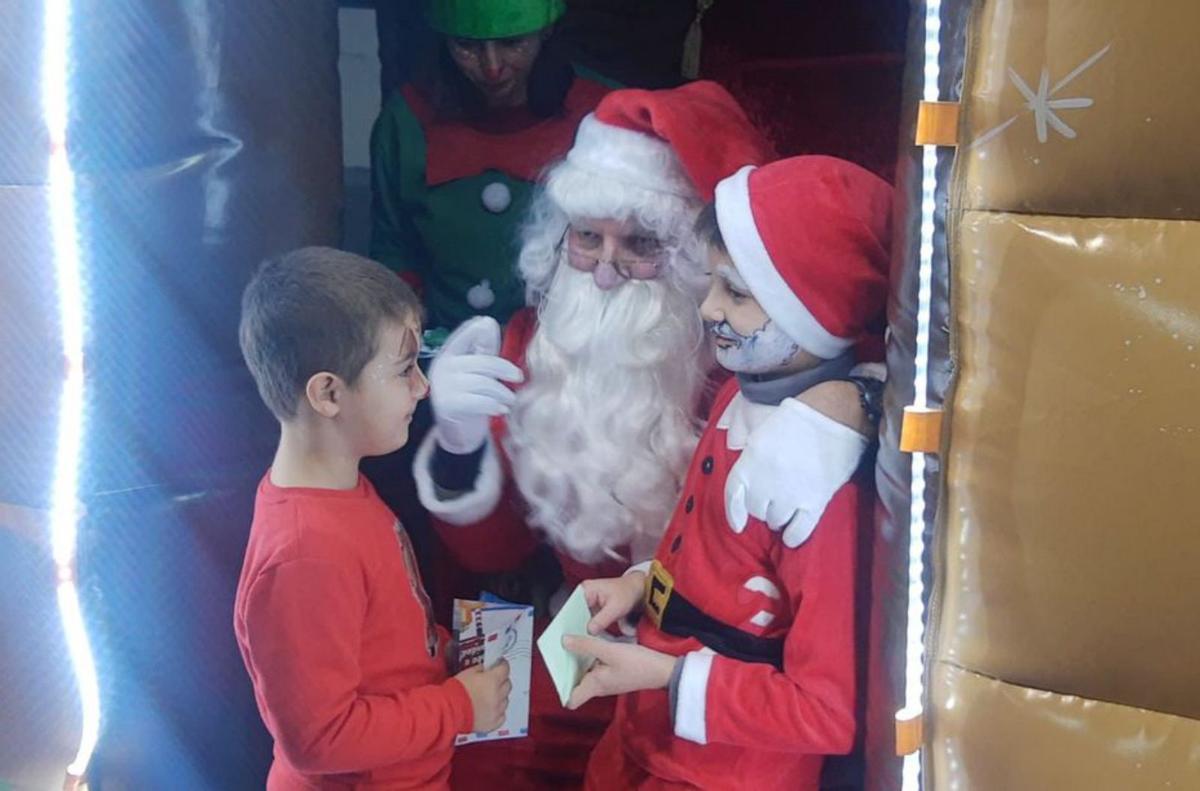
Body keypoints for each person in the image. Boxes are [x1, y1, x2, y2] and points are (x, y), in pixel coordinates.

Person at [413, 83, 875, 789]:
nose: (602, 268)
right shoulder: (535, 346)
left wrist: (857, 398)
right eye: (586, 236)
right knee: (474, 750)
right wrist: (456, 443)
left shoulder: (740, 368)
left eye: (640, 244)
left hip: (714, 681)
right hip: (588, 628)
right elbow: (496, 549)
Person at [562, 155, 892, 790]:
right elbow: (713, 560)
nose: (709, 307)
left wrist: (667, 677)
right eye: (715, 284)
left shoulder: (822, 487)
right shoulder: (737, 397)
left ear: (811, 309)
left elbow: (828, 713)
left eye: (737, 293)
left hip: (726, 771)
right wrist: (640, 587)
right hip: (647, 739)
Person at [232, 247, 512, 790]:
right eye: (405, 370)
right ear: (329, 393)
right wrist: (458, 706)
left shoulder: (348, 489)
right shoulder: (304, 554)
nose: (423, 388)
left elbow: (378, 641)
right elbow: (319, 739)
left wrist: (443, 651)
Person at [370, 0, 613, 332]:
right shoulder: (406, 119)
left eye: (513, 43)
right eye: (466, 46)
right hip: (444, 341)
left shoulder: (604, 115)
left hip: (570, 347)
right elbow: (392, 248)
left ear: (546, 32)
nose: (492, 67)